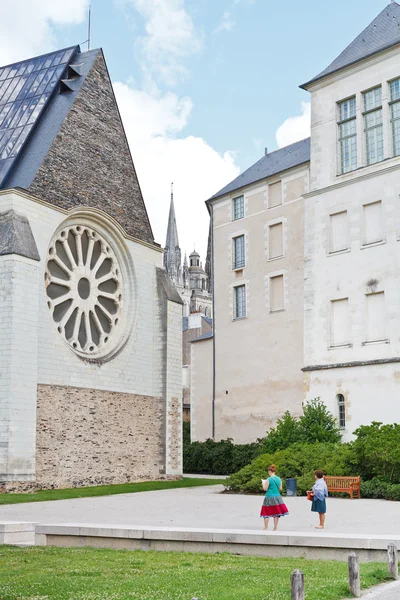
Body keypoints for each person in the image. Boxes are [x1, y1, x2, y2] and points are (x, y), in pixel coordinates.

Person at [260, 464, 289, 531]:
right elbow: (280, 488)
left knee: (266, 512)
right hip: (277, 497)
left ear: (270, 471)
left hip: (269, 496)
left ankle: (266, 527)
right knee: (276, 512)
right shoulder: (279, 479)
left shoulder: (268, 479)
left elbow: (265, 489)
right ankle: (275, 528)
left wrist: (263, 484)